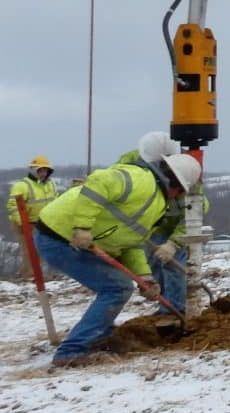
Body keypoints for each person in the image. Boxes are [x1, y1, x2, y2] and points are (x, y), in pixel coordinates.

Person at [33, 152, 202, 366]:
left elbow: (131, 243)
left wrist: (145, 277)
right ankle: (71, 351)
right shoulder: (140, 178)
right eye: (179, 193)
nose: (177, 197)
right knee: (117, 288)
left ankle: (98, 336)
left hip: (72, 240)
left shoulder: (156, 204)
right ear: (175, 185)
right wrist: (82, 226)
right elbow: (98, 181)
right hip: (58, 236)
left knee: (118, 286)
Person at [117, 131, 205, 317]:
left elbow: (194, 212)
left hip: (173, 226)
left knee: (173, 266)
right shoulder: (129, 168)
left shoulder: (186, 169)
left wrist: (173, 244)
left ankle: (174, 309)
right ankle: (166, 304)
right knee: (151, 264)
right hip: (147, 226)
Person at [4, 155, 59, 281]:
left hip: (42, 223)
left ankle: (27, 274)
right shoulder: (22, 185)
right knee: (29, 250)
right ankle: (31, 276)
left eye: (45, 170)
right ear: (34, 170)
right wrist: (23, 223)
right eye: (40, 170)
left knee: (39, 249)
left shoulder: (51, 184)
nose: (43, 173)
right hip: (24, 222)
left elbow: (56, 201)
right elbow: (13, 206)